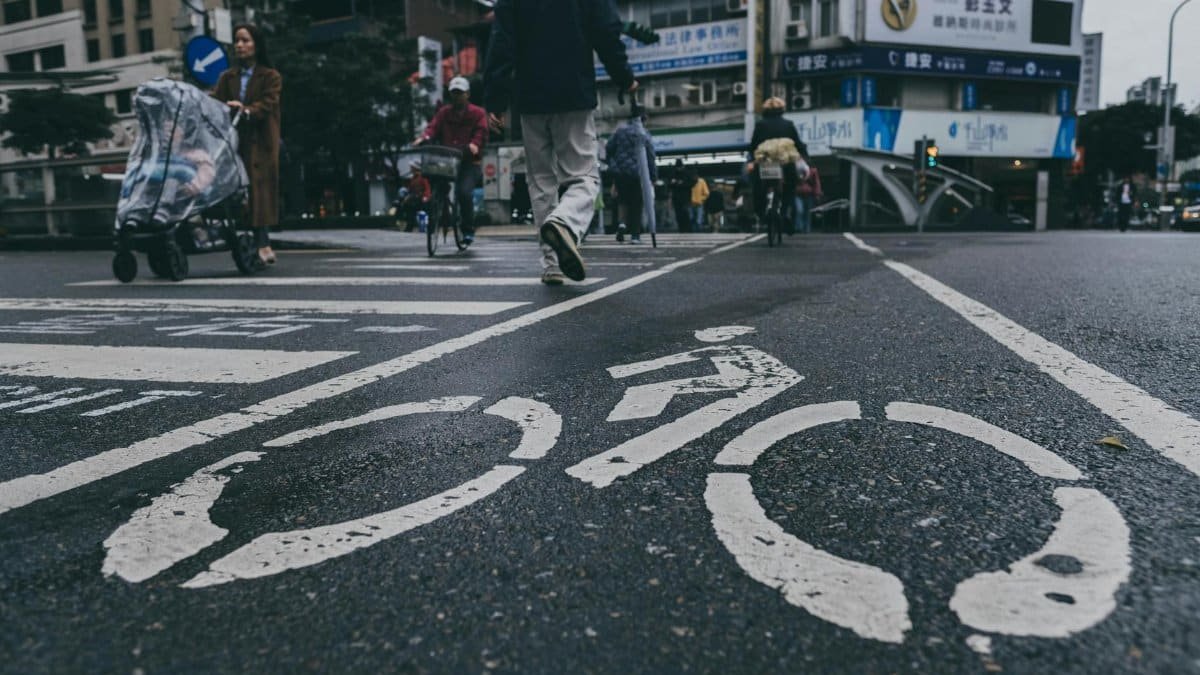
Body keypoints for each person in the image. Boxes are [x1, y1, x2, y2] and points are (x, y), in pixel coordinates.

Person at [484, 0, 636, 285]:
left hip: (530, 99)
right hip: (574, 92)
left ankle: (552, 264)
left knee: (541, 180)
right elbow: (606, 30)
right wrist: (624, 76)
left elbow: (502, 42)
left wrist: (495, 98)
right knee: (582, 175)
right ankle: (565, 221)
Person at [214, 24, 282, 266]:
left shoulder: (270, 76)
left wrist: (246, 110)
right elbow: (215, 102)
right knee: (238, 191)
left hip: (261, 141)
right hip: (234, 142)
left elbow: (268, 104)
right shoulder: (227, 77)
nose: (239, 45)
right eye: (237, 41)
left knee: (259, 189)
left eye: (245, 40)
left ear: (256, 45)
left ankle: (263, 243)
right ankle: (242, 239)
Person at [416, 76, 489, 245]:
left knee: (464, 193)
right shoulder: (444, 113)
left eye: (460, 93)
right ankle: (439, 214)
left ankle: (468, 230)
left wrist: (475, 144)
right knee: (437, 187)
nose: (456, 97)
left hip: (468, 162)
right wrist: (424, 137)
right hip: (446, 161)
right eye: (453, 93)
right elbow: (432, 127)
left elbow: (481, 132)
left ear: (467, 94)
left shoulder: (477, 113)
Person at [748, 97, 804, 232]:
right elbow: (798, 144)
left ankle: (761, 212)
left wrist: (751, 160)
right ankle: (786, 213)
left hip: (766, 163)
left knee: (757, 185)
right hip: (784, 164)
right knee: (790, 186)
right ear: (782, 110)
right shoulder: (788, 124)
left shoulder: (760, 125)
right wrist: (804, 157)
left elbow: (753, 146)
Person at [605, 106, 656, 244]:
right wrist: (653, 177)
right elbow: (651, 157)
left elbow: (608, 148)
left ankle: (622, 225)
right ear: (643, 119)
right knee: (636, 204)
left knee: (622, 200)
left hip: (620, 173)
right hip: (638, 174)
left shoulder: (620, 131)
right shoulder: (645, 134)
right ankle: (635, 235)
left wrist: (614, 166)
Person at [668, 159, 694, 233]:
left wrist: (679, 183)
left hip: (684, 198)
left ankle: (687, 229)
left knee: (685, 214)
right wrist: (679, 183)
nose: (678, 169)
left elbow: (692, 182)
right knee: (679, 214)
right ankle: (682, 229)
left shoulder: (686, 173)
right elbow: (669, 184)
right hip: (679, 197)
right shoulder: (674, 173)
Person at [402, 166, 431, 232]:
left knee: (412, 206)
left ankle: (412, 226)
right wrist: (406, 192)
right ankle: (409, 225)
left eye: (411, 167)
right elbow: (410, 188)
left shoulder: (422, 177)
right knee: (408, 205)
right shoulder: (413, 178)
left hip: (420, 197)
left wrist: (426, 197)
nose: (410, 169)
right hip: (414, 197)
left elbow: (427, 188)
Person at [796, 162, 822, 234]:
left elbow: (816, 183)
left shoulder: (812, 170)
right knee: (799, 210)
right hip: (797, 193)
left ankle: (806, 229)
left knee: (807, 213)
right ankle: (799, 227)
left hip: (808, 194)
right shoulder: (795, 169)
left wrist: (817, 194)